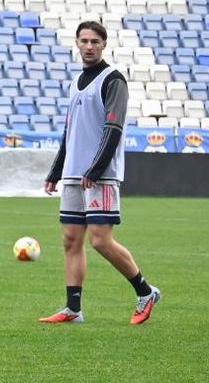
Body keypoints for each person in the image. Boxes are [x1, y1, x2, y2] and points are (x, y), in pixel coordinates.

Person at [37, 21, 160, 326]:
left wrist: (96, 168)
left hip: (100, 174)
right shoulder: (75, 82)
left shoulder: (113, 79)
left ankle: (145, 292)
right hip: (73, 173)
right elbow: (70, 132)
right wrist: (56, 171)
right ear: (77, 43)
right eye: (84, 41)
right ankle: (73, 309)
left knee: (101, 241)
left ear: (104, 44)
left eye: (95, 41)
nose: (89, 46)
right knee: (70, 239)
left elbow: (113, 127)